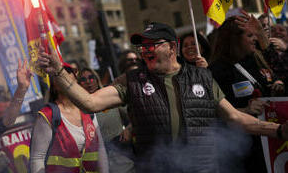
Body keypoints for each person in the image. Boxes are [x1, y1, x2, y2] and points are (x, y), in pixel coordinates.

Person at [38, 22, 288, 173]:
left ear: (172, 47)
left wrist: (278, 130)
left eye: (152, 44)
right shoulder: (132, 80)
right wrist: (58, 72)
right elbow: (89, 102)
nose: (145, 49)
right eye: (141, 45)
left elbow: (236, 118)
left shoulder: (201, 77)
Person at [209, 16, 284, 172]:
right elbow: (214, 115)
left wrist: (278, 84)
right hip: (245, 150)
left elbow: (280, 71)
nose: (254, 39)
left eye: (254, 35)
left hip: (273, 143)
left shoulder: (256, 59)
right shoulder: (217, 71)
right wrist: (245, 110)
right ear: (233, 39)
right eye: (249, 36)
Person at [29, 64, 108, 173]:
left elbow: (100, 148)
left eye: (71, 81)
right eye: (64, 80)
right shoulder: (48, 115)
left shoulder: (87, 109)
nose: (69, 84)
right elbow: (37, 158)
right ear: (55, 85)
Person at [78, 68, 135, 173]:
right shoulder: (78, 109)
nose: (88, 82)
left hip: (121, 156)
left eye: (91, 77)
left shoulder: (110, 98)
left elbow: (135, 117)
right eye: (83, 79)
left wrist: (129, 129)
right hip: (96, 162)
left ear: (96, 79)